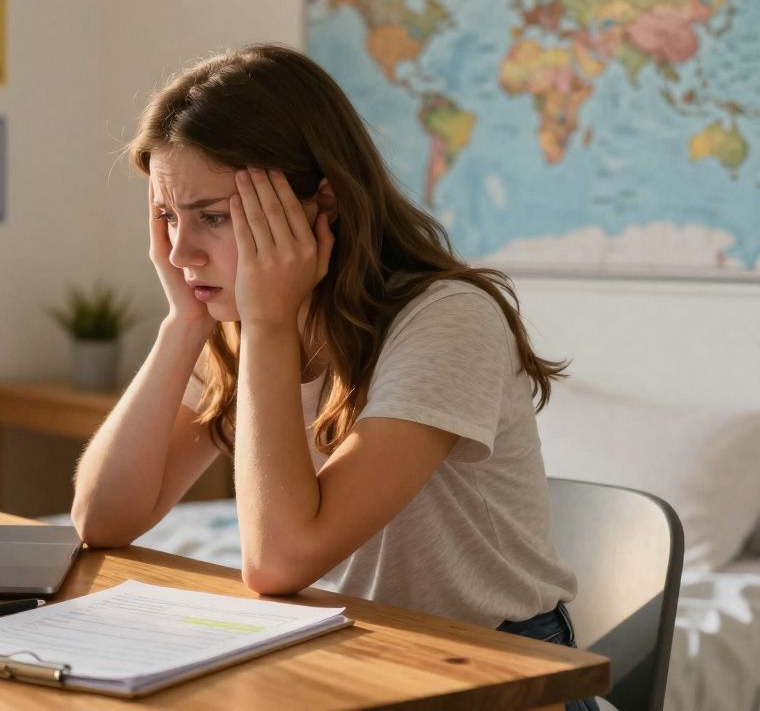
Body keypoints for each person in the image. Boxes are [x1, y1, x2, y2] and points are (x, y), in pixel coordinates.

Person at [70, 42, 594, 709]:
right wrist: (183, 323)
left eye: (213, 217)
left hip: (493, 666)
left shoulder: (447, 318)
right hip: (342, 649)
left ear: (324, 201)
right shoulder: (236, 322)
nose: (179, 252)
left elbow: (279, 560)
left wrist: (267, 325)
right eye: (169, 217)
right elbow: (103, 520)